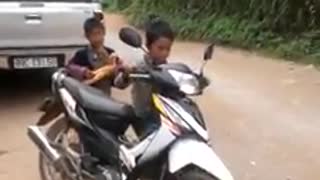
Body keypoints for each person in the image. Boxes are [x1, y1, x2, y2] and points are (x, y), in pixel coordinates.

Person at [115, 17, 175, 137]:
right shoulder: (139, 66)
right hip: (143, 116)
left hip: (163, 115)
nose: (164, 53)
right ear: (148, 46)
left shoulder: (168, 68)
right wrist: (126, 74)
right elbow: (118, 83)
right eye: (160, 48)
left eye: (168, 49)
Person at [66, 17, 123, 96]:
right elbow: (69, 67)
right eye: (93, 35)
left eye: (99, 33)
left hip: (105, 96)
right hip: (87, 97)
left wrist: (119, 69)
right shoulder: (82, 54)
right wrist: (83, 72)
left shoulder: (111, 53)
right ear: (87, 36)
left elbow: (117, 82)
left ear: (104, 32)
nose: (97, 38)